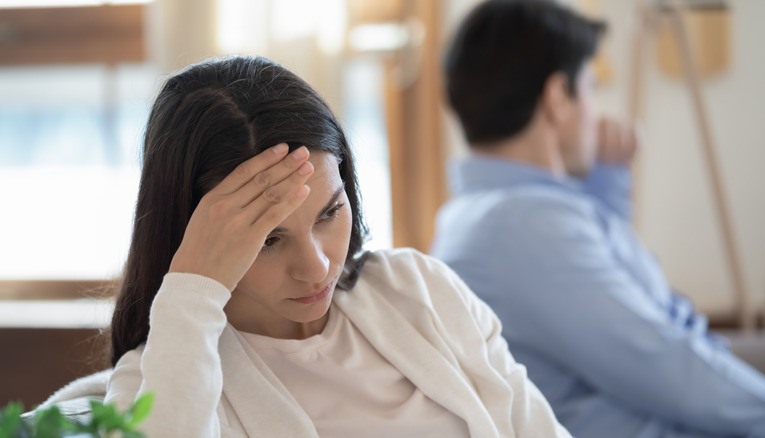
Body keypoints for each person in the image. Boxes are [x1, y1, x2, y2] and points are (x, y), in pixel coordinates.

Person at [92, 55, 572, 437]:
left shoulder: (421, 290)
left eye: (328, 213)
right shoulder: (158, 381)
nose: (316, 266)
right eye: (268, 239)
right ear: (193, 239)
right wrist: (191, 292)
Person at [430, 1, 765, 437]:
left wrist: (605, 178)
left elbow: (619, 285)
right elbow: (664, 365)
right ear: (557, 98)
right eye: (592, 87)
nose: (597, 112)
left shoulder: (488, 213)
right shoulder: (527, 228)